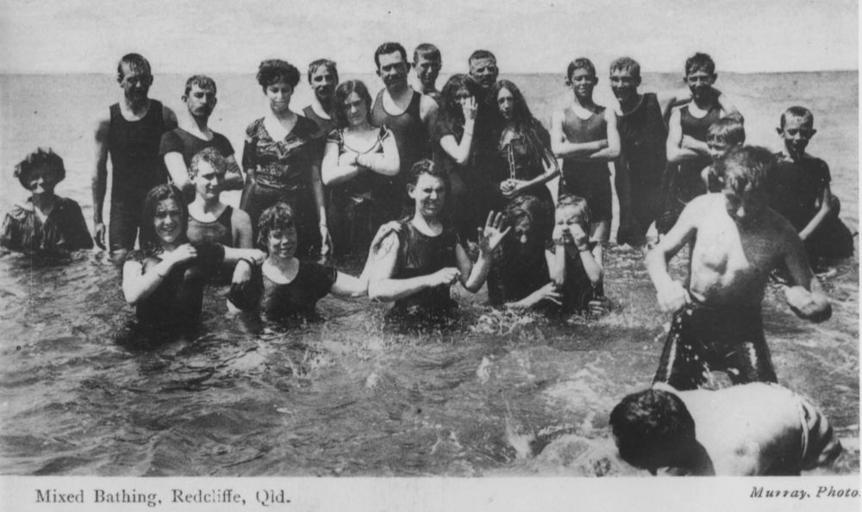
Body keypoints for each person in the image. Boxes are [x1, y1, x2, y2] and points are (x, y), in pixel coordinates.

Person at [646, 146, 831, 391]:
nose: (742, 212)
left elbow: (817, 295)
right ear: (722, 185)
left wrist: (811, 306)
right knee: (663, 399)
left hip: (743, 328)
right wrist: (664, 285)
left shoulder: (782, 233)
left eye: (753, 201)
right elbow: (657, 254)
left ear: (769, 194)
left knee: (767, 399)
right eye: (733, 200)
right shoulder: (701, 209)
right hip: (692, 320)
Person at [368, 160, 509, 322]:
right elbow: (376, 290)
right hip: (406, 324)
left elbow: (472, 284)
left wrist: (485, 255)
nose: (434, 197)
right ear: (411, 191)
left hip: (445, 321)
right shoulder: (398, 234)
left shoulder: (450, 233)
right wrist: (430, 279)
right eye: (427, 190)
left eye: (440, 190)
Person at [609, 383, 843, 475]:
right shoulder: (666, 402)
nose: (651, 471)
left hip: (812, 440)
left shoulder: (728, 467)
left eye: (650, 466)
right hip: (762, 406)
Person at [121, 185, 265, 332]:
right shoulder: (137, 257)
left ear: (183, 216)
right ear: (151, 219)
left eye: (174, 213)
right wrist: (172, 260)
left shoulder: (199, 251)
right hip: (148, 339)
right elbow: (131, 296)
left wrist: (245, 264)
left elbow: (258, 254)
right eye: (161, 215)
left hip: (190, 339)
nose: (168, 221)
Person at [228, 202, 396, 324]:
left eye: (290, 233)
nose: (286, 241)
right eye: (277, 235)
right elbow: (235, 313)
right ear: (265, 239)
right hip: (269, 347)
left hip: (306, 348)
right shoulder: (254, 276)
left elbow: (360, 288)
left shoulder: (312, 273)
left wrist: (373, 250)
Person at [241, 59, 329, 261]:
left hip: (299, 209)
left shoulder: (309, 128)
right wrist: (241, 222)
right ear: (265, 91)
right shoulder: (253, 130)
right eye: (274, 90)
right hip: (261, 209)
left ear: (292, 91)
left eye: (285, 90)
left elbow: (316, 178)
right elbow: (250, 179)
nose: (280, 96)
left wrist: (322, 223)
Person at [93, 53, 177, 263]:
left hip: (157, 203)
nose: (139, 85)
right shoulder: (107, 120)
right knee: (119, 261)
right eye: (132, 80)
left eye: (144, 79)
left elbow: (177, 167)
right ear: (120, 81)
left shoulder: (165, 115)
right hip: (123, 205)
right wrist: (97, 220)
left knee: (157, 262)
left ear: (151, 80)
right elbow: (99, 173)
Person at [660, 52, 740, 234]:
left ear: (713, 79)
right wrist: (714, 151)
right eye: (693, 78)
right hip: (683, 184)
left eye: (703, 78)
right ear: (686, 80)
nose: (698, 84)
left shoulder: (721, 113)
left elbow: (733, 152)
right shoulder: (679, 114)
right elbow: (672, 155)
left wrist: (694, 144)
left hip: (714, 182)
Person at [321, 80, 400, 258]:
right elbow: (328, 177)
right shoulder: (336, 136)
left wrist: (355, 159)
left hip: (379, 215)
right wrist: (370, 164)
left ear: (367, 102)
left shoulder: (383, 133)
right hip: (343, 219)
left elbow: (393, 167)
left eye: (357, 103)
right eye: (347, 106)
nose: (353, 110)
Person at [768, 106, 854, 261]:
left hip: (807, 231)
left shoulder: (818, 166)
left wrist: (802, 237)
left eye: (804, 133)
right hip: (778, 231)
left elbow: (826, 207)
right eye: (792, 132)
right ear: (780, 132)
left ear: (812, 133)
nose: (798, 138)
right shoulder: (770, 164)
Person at [551, 58, 620, 245]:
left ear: (595, 81)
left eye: (588, 78)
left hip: (599, 187)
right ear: (569, 82)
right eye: (578, 78)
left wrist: (572, 152)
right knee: (569, 245)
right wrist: (598, 145)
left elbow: (615, 151)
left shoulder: (606, 113)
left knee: (599, 246)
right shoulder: (560, 114)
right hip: (570, 186)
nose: (583, 83)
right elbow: (557, 150)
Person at [370, 42, 439, 213]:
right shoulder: (375, 100)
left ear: (407, 67)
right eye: (387, 68)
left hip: (413, 198)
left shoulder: (427, 105)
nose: (393, 72)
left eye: (398, 66)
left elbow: (437, 157)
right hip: (380, 194)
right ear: (379, 73)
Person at [160, 75, 242, 199]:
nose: (204, 101)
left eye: (209, 96)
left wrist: (204, 179)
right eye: (198, 95)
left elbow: (239, 179)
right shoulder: (172, 138)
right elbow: (183, 183)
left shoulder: (221, 141)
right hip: (186, 208)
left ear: (214, 102)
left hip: (216, 208)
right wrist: (222, 178)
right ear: (185, 99)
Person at [1, 148, 93, 255]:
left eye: (47, 175)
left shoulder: (70, 209)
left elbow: (85, 249)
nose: (41, 181)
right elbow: (4, 253)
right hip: (27, 265)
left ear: (56, 177)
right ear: (26, 180)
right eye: (35, 177)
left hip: (63, 264)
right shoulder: (15, 215)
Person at [492, 80, 559, 217]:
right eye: (501, 101)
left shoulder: (532, 127)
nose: (506, 105)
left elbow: (554, 168)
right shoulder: (492, 134)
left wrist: (525, 185)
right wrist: (500, 185)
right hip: (505, 205)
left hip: (536, 201)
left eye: (510, 99)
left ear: (517, 101)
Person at [486, 195, 560, 311]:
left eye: (530, 234)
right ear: (509, 232)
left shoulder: (548, 249)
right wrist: (536, 297)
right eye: (518, 233)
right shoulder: (498, 257)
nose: (524, 240)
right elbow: (498, 308)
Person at [432, 74, 481, 240]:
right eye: (457, 97)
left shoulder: (477, 120)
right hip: (452, 198)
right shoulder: (442, 124)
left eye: (466, 96)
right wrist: (470, 122)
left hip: (474, 195)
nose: (462, 102)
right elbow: (461, 157)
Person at [547, 195, 606, 315]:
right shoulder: (551, 250)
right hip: (563, 310)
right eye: (559, 223)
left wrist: (583, 248)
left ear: (585, 224)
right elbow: (558, 280)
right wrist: (560, 246)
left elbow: (595, 278)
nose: (564, 228)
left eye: (571, 223)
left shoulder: (594, 248)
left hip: (591, 309)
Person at [186, 148, 253, 248]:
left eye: (219, 176)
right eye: (208, 176)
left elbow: (249, 256)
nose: (215, 182)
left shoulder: (239, 218)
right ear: (192, 177)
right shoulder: (181, 216)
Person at [700, 117, 745, 193]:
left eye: (719, 148)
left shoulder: (746, 176)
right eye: (710, 147)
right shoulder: (707, 174)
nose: (713, 153)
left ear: (737, 147)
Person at [302, 59, 339, 135]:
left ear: (336, 80)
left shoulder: (348, 112)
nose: (324, 83)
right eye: (318, 79)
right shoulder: (304, 117)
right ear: (311, 83)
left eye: (329, 78)